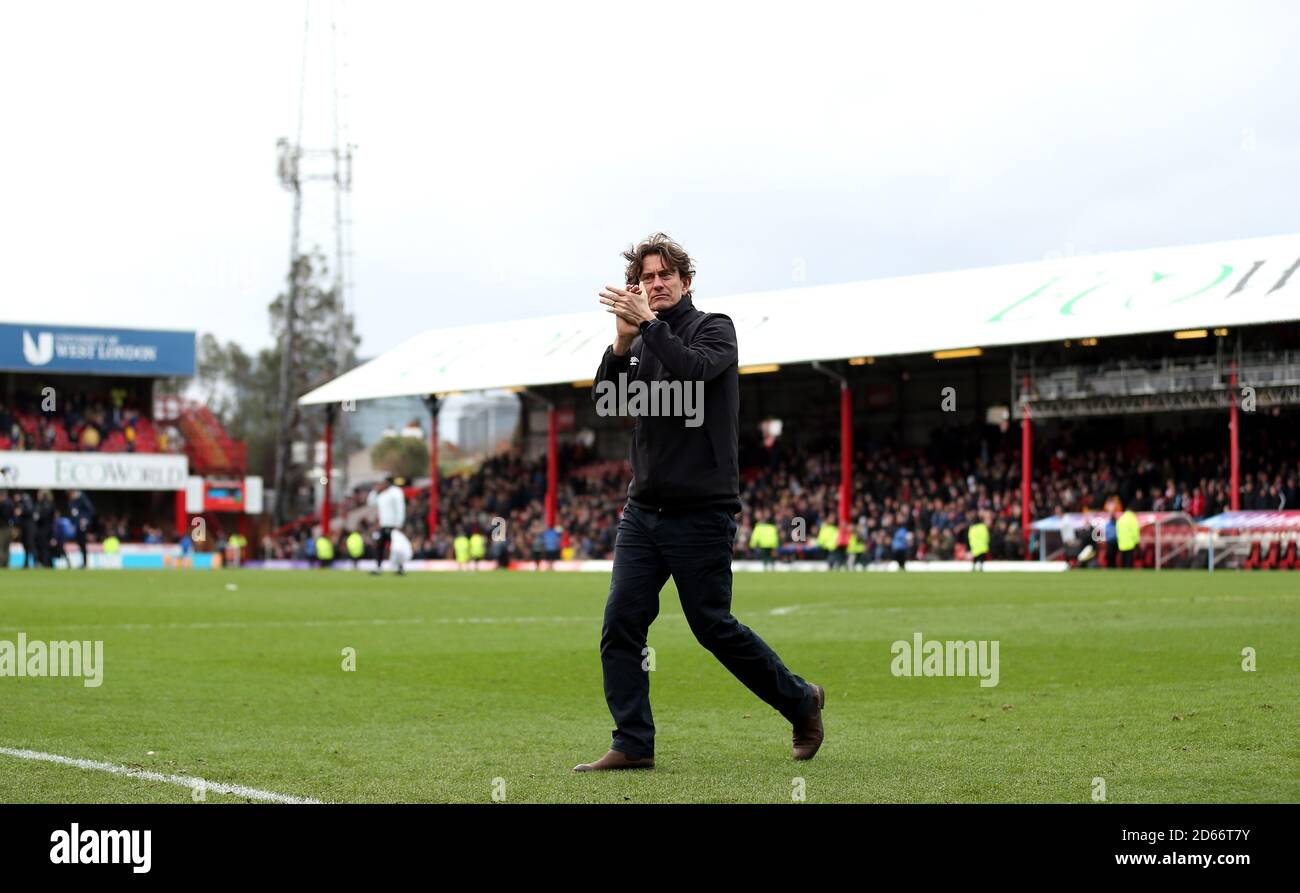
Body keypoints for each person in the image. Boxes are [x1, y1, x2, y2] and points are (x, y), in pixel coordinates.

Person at [576, 233, 823, 772]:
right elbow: (606, 404)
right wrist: (620, 347)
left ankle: (802, 701)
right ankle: (632, 744)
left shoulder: (716, 329)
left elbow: (691, 370)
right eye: (645, 277)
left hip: (702, 510)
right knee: (621, 622)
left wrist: (647, 326)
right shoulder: (640, 342)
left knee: (712, 626)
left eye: (665, 275)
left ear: (687, 282)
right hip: (642, 511)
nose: (655, 283)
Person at [367, 476, 406, 572]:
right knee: (380, 546)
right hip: (384, 525)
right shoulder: (382, 494)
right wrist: (374, 491)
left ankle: (399, 567)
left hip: (394, 525)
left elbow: (400, 508)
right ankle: (379, 567)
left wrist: (399, 523)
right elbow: (371, 502)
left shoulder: (396, 492)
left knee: (397, 547)